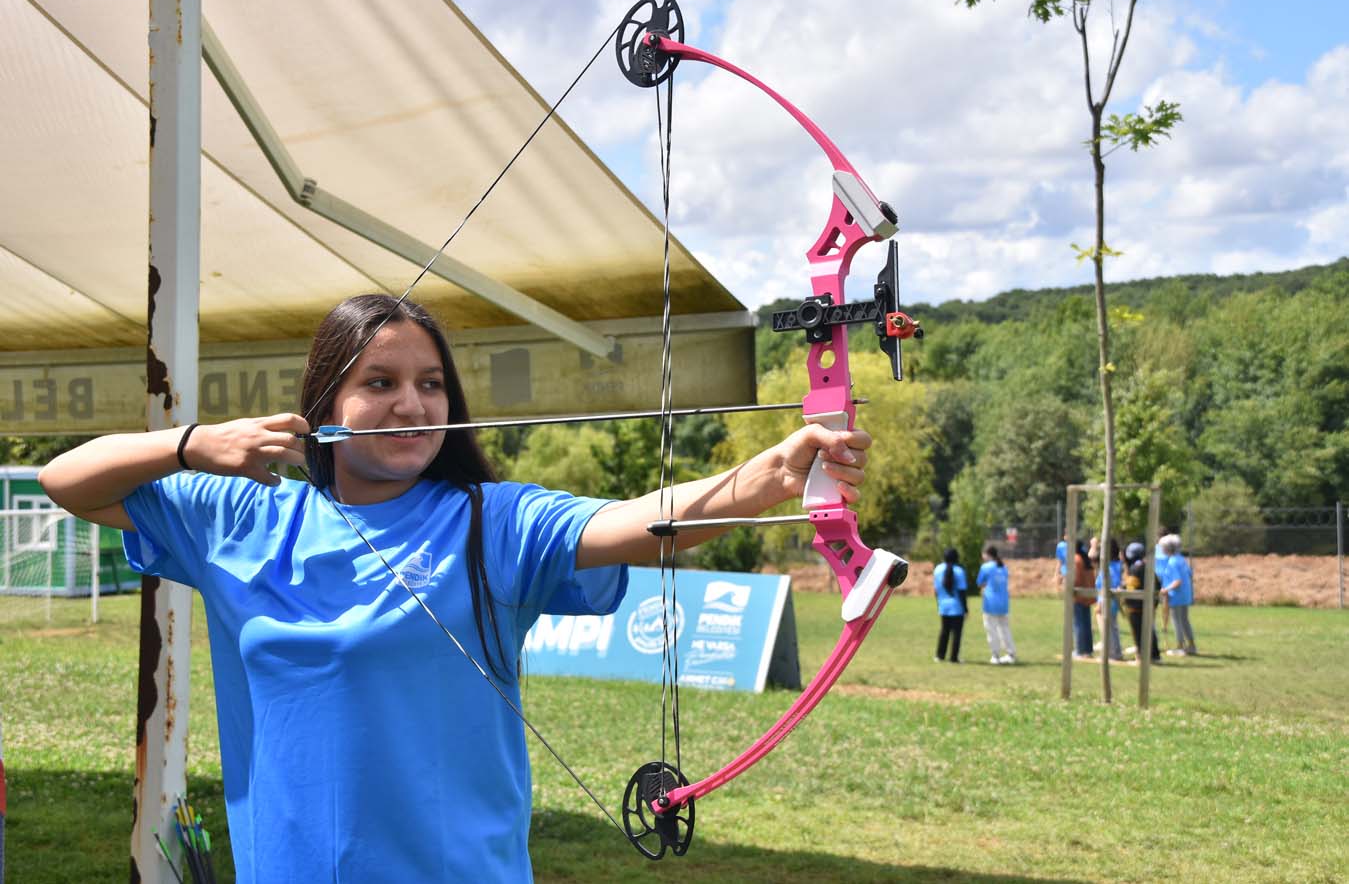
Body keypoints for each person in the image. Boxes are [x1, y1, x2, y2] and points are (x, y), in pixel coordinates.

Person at [37, 295, 875, 883]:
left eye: (431, 383)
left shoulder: (491, 521)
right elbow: (65, 479)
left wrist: (774, 472)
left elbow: (643, 520)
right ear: (324, 401)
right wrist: (189, 444)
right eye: (380, 383)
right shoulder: (239, 516)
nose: (412, 402)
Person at [1121, 541, 1161, 662]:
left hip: (1136, 607)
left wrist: (1123, 590)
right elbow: (1158, 584)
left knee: (1139, 633)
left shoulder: (1135, 568)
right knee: (1149, 630)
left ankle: (1142, 657)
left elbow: (1132, 587)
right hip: (1149, 605)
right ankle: (1154, 655)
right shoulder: (1148, 567)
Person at [1158, 533, 1197, 655]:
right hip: (1185, 595)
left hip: (1176, 596)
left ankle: (1180, 646)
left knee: (1177, 621)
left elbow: (1177, 581)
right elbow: (1189, 574)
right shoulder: (1181, 559)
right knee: (1185, 620)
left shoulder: (1172, 562)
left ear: (1168, 548)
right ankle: (1191, 645)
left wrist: (1165, 590)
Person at [976, 545, 1016, 664]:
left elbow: (979, 583)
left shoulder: (986, 567)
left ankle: (995, 655)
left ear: (987, 554)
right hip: (1003, 602)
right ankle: (1011, 654)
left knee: (991, 629)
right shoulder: (1003, 566)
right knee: (1005, 629)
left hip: (991, 603)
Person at [933, 547, 968, 662]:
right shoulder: (959, 571)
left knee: (944, 631)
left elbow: (936, 590)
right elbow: (962, 592)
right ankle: (954, 657)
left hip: (943, 605)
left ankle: (940, 655)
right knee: (956, 634)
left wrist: (938, 604)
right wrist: (966, 609)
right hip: (957, 607)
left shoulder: (937, 569)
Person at [1095, 539, 1124, 661]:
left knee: (1107, 627)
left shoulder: (1109, 567)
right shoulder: (1117, 565)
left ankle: (1112, 653)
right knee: (1112, 627)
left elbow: (1107, 586)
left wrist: (1100, 603)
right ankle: (1116, 651)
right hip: (1112, 600)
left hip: (1106, 600)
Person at [1071, 540, 1095, 659]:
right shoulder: (1085, 559)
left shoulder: (1076, 559)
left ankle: (1080, 651)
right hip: (1088, 595)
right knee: (1086, 623)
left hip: (1078, 596)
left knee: (1078, 624)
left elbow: (1075, 579)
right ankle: (1088, 650)